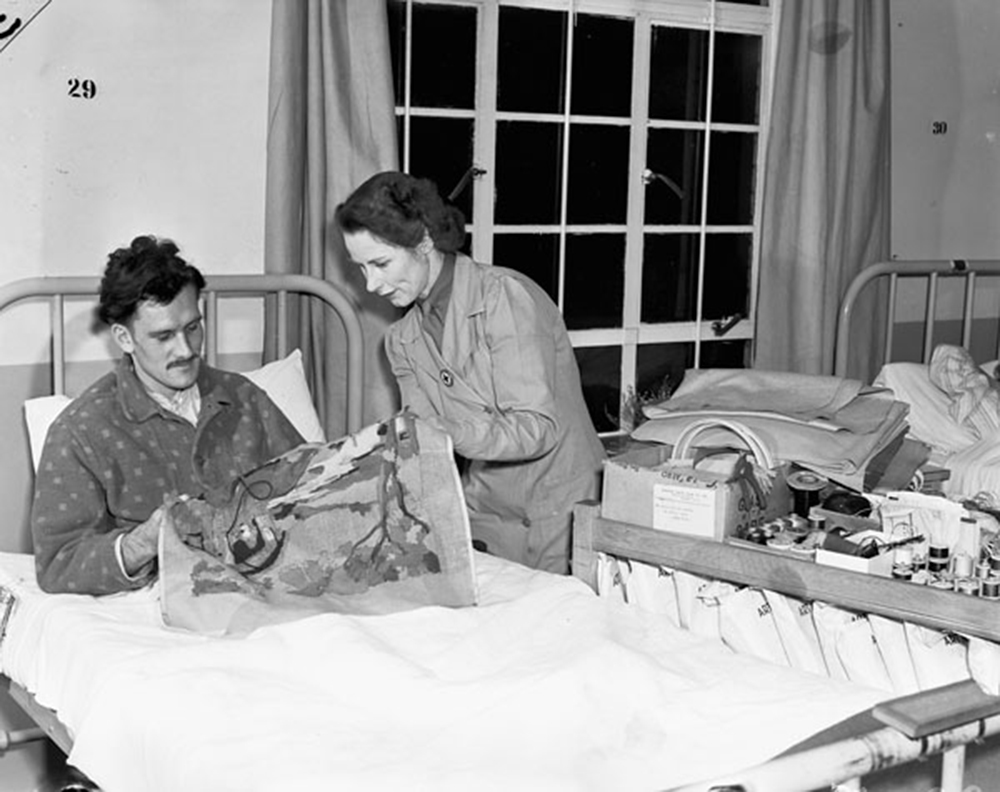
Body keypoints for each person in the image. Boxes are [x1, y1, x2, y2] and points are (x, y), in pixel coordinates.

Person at [334, 171, 605, 574]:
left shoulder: (503, 297)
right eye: (361, 269)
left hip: (560, 513)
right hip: (484, 513)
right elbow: (423, 438)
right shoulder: (401, 341)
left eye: (381, 263)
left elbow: (537, 427)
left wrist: (448, 432)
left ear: (424, 241)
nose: (371, 285)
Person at [31, 235, 305, 595]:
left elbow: (311, 485)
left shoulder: (244, 397)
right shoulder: (81, 431)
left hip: (274, 589)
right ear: (124, 338)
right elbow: (58, 564)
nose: (186, 349)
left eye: (193, 327)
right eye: (164, 336)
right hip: (160, 614)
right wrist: (142, 542)